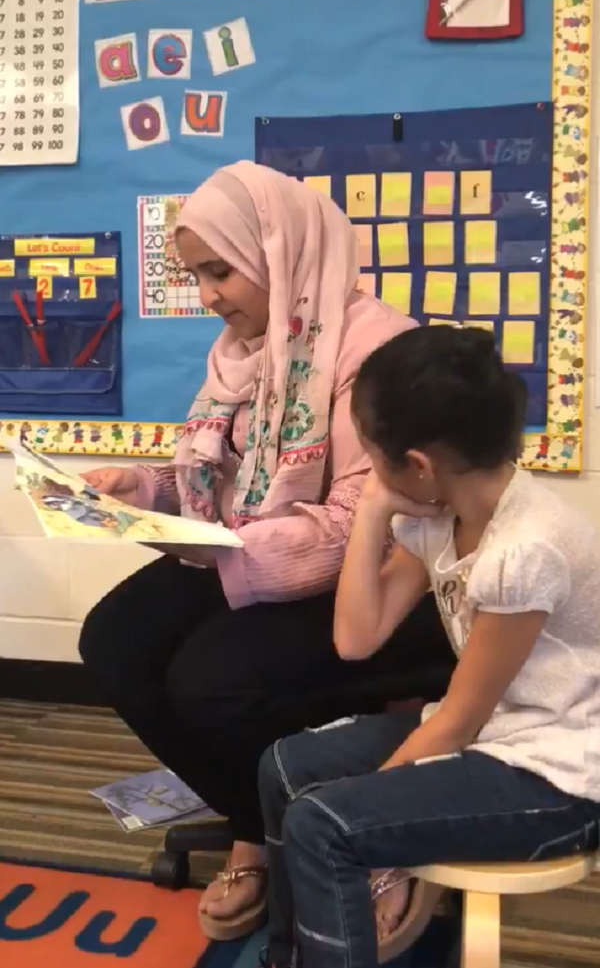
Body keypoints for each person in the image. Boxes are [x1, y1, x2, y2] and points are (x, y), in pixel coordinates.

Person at [78, 163, 456, 940]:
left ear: (280, 250)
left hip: (380, 581)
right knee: (113, 639)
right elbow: (218, 477)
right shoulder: (244, 349)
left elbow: (369, 516)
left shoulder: (376, 345)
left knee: (211, 682)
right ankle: (258, 817)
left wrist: (229, 547)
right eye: (196, 275)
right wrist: (141, 490)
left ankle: (377, 834)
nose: (209, 295)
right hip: (257, 551)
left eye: (220, 270)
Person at [258, 324, 600, 968]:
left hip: (561, 778)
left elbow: (457, 721)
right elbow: (356, 640)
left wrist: (367, 816)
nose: (368, 472)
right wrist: (371, 512)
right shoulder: (447, 515)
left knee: (324, 824)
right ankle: (289, 955)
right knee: (285, 768)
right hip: (495, 735)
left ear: (417, 465)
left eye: (371, 457)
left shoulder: (524, 551)